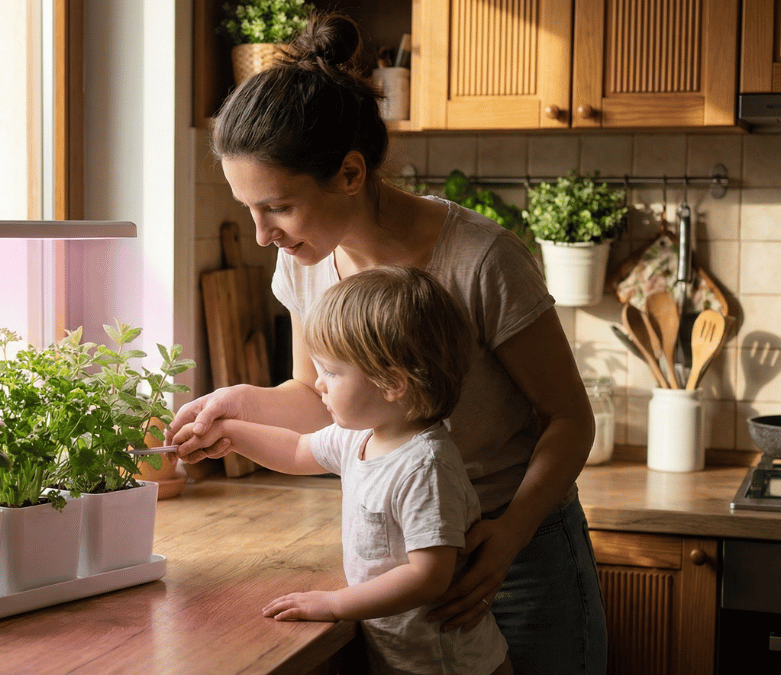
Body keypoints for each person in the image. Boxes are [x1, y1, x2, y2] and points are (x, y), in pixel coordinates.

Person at [167, 11, 606, 674]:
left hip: (514, 549)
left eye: (278, 207)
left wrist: (508, 538)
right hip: (403, 557)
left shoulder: (482, 260)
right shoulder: (305, 259)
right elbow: (319, 400)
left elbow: (571, 419)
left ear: (349, 173)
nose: (262, 234)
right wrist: (238, 405)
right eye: (247, 208)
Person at [174, 266, 512, 675]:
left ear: (391, 382)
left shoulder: (425, 467)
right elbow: (298, 450)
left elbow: (428, 577)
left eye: (332, 372)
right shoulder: (362, 435)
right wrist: (228, 432)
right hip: (402, 657)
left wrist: (334, 603)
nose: (318, 384)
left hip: (449, 665)